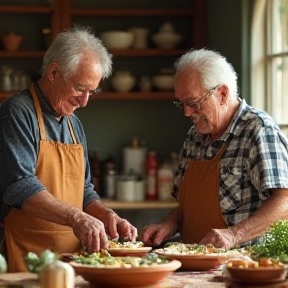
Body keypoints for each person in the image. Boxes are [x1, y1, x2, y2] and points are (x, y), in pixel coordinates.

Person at [0, 26, 137, 272]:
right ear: (54, 72)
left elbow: (83, 191)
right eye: (79, 88)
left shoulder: (74, 124)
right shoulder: (16, 112)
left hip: (71, 261)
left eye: (92, 91)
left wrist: (106, 216)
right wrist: (77, 218)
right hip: (26, 255)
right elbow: (19, 186)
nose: (84, 101)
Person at [142, 48, 288, 249]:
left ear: (222, 94)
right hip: (193, 265)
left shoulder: (258, 130)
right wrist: (169, 223)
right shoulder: (195, 136)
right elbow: (190, 208)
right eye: (181, 103)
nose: (186, 112)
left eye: (193, 102)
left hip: (240, 268)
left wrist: (234, 235)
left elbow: (285, 202)